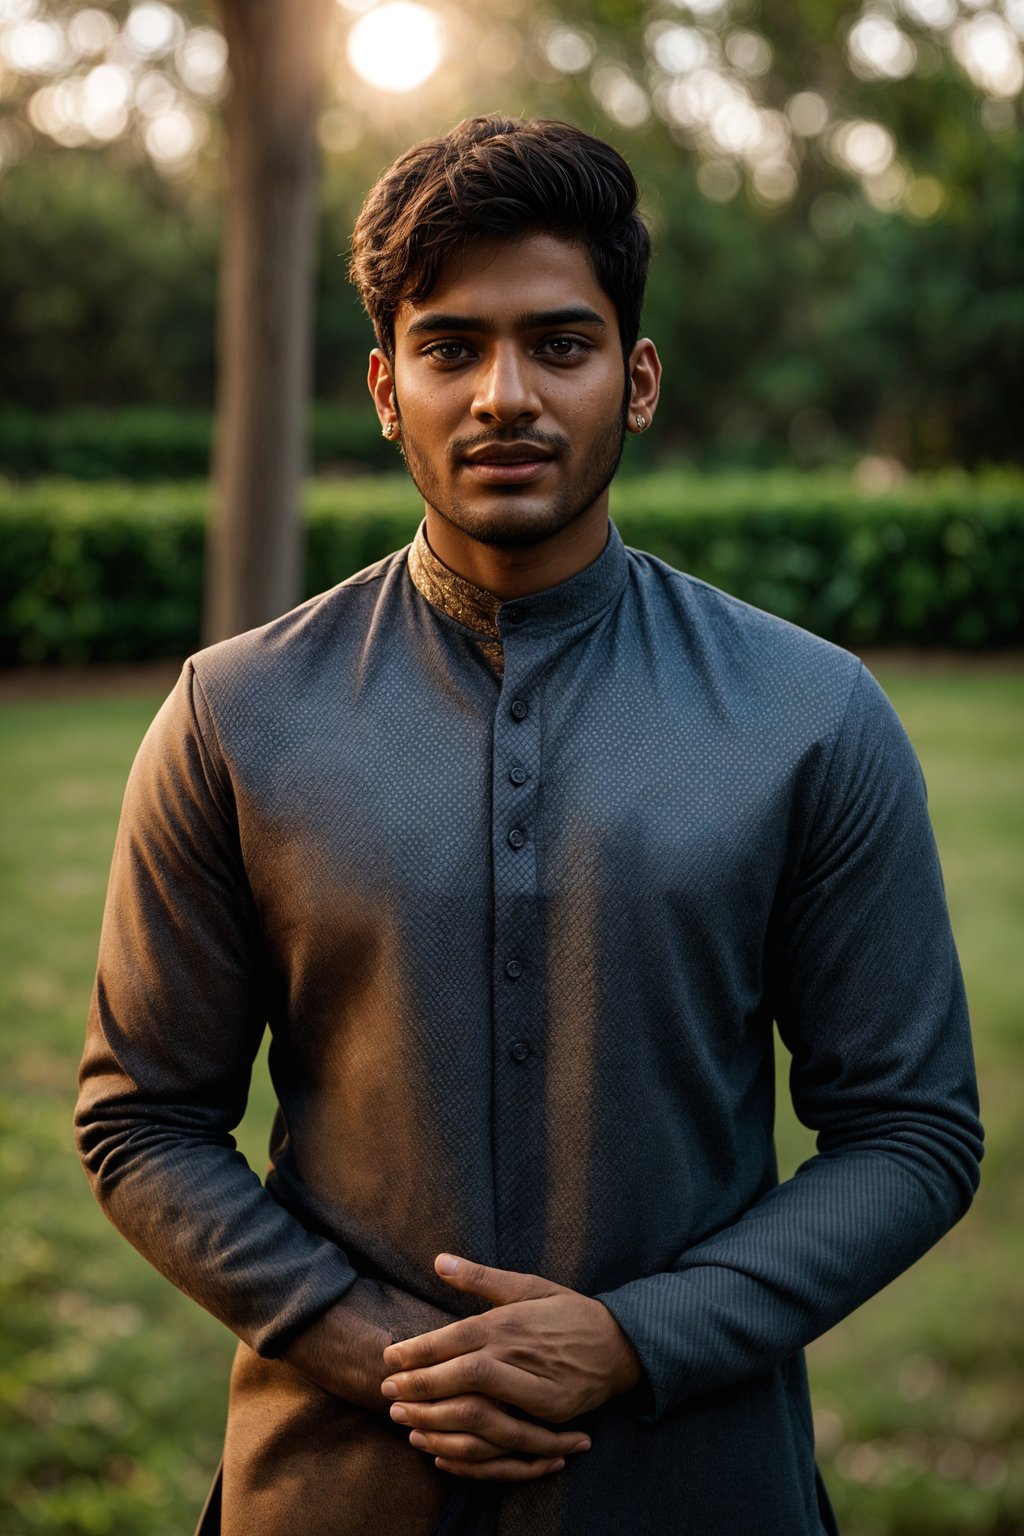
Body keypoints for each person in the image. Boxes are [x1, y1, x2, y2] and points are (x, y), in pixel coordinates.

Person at [75, 115, 983, 1536]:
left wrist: (635, 1340)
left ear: (639, 379)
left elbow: (912, 1130)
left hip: (698, 1492)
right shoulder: (233, 716)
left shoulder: (812, 714)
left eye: (559, 343)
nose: (504, 394)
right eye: (451, 348)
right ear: (386, 388)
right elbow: (142, 1118)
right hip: (332, 1493)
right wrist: (377, 1350)